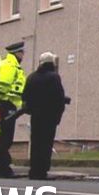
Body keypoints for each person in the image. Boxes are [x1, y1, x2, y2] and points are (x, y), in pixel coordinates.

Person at [22, 51, 66, 180]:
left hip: (35, 116)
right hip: (49, 116)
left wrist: (31, 110)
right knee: (46, 143)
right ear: (51, 63)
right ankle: (42, 170)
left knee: (36, 143)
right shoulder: (54, 77)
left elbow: (25, 97)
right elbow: (59, 98)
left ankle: (34, 170)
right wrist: (58, 116)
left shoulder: (31, 77)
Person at [0, 41, 26, 178]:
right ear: (17, 53)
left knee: (5, 135)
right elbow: (3, 85)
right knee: (6, 137)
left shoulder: (11, 65)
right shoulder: (10, 66)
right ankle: (2, 167)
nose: (23, 55)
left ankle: (2, 165)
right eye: (22, 53)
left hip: (8, 103)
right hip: (6, 104)